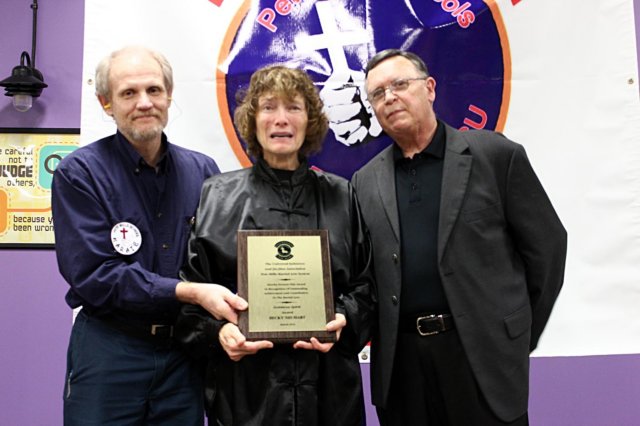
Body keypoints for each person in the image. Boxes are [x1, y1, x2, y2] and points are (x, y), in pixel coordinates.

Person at [351, 49, 568, 425]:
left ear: (430, 88)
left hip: (484, 360)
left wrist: (516, 334)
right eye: (378, 93)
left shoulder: (496, 156)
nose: (390, 98)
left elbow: (547, 250)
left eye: (400, 84)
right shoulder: (364, 182)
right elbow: (363, 277)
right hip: (403, 370)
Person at [52, 46, 246, 425]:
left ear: (169, 95)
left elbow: (222, 261)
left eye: (154, 90)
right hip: (111, 348)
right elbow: (94, 276)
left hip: (184, 353)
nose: (144, 103)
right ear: (106, 103)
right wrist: (189, 292)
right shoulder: (80, 174)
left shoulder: (204, 171)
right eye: (128, 93)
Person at [175, 65, 375, 426]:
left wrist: (345, 318)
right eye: (268, 107)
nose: (281, 119)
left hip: (328, 392)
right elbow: (191, 299)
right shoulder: (217, 196)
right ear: (252, 120)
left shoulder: (341, 195)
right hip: (246, 395)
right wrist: (219, 333)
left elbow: (366, 287)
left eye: (294, 107)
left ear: (310, 121)